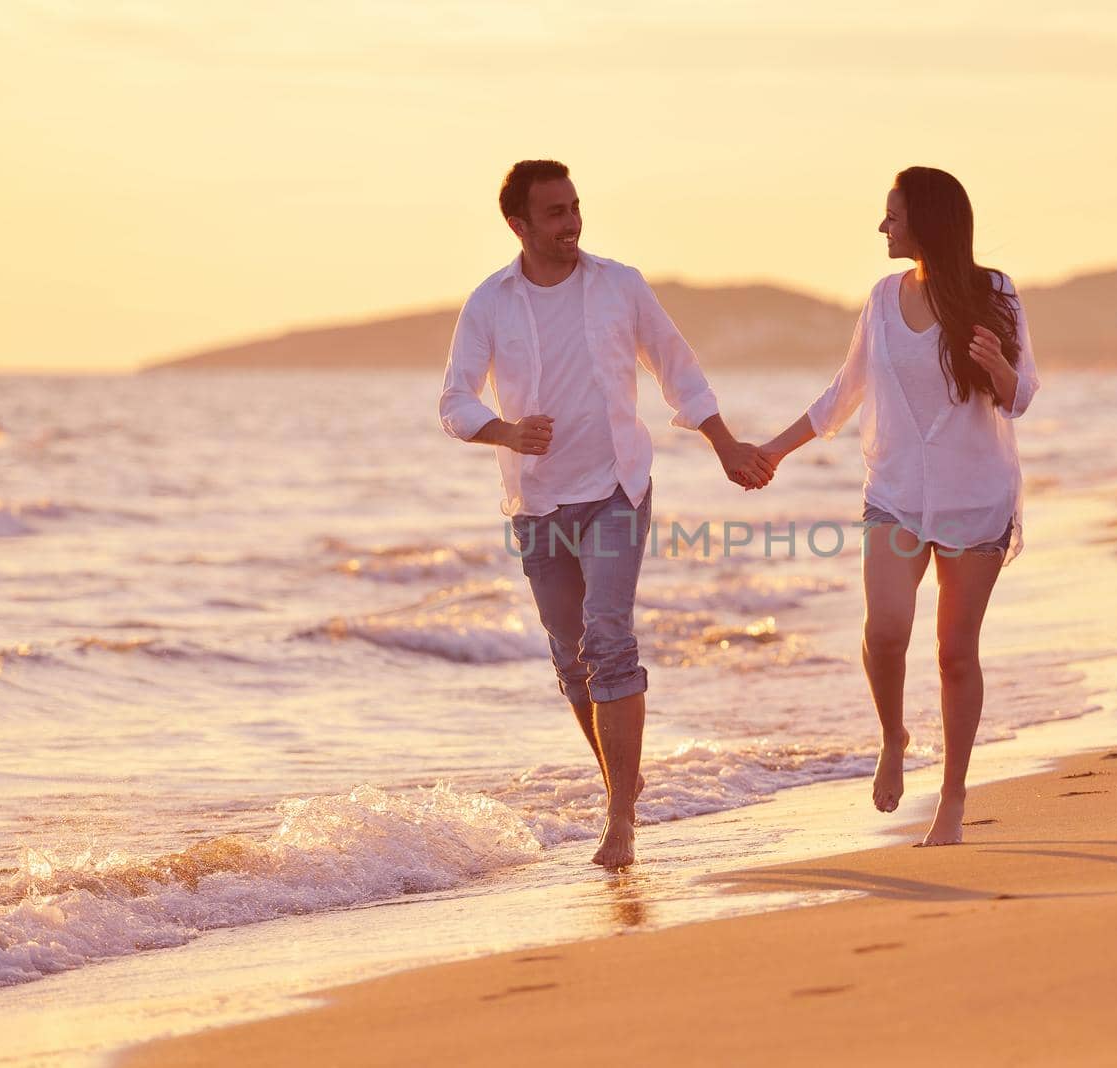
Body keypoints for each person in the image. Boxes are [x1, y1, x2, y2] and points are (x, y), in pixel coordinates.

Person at [440, 160, 773, 867]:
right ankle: (623, 775)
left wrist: (722, 443)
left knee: (609, 638)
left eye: (574, 207)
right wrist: (504, 431)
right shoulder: (490, 302)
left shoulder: (618, 284)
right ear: (518, 225)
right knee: (571, 661)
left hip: (618, 486)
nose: (571, 223)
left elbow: (676, 367)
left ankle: (620, 817)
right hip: (537, 501)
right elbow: (455, 400)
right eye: (554, 213)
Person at [758, 166, 1040, 846]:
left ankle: (953, 796)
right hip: (895, 497)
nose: (882, 226)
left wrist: (998, 364)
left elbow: (1021, 393)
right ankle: (893, 735)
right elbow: (840, 396)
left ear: (926, 221)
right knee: (885, 630)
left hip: (976, 499)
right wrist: (770, 451)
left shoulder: (994, 291)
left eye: (893, 214)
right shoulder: (883, 301)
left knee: (954, 654)